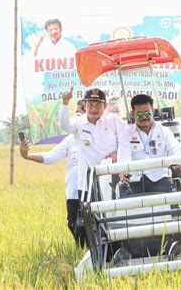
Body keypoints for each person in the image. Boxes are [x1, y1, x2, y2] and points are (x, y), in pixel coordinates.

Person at [19, 100, 85, 245]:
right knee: (74, 226)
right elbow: (49, 157)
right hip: (73, 194)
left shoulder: (99, 139)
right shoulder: (70, 140)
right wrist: (27, 156)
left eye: (83, 112)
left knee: (92, 229)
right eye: (77, 112)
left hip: (92, 193)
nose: (79, 115)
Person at [60, 87, 126, 197]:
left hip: (112, 177)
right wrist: (65, 103)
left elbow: (126, 142)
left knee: (113, 211)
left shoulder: (114, 120)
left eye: (98, 105)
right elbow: (65, 126)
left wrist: (117, 154)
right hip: (87, 180)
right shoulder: (79, 122)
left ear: (105, 106)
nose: (94, 109)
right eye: (90, 105)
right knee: (90, 212)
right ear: (84, 106)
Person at [117, 94, 181, 197]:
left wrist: (178, 160)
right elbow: (123, 157)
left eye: (147, 114)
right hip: (135, 180)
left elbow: (175, 147)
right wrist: (123, 171)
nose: (144, 117)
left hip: (159, 178)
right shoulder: (126, 133)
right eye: (139, 115)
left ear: (152, 111)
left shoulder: (164, 131)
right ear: (132, 114)